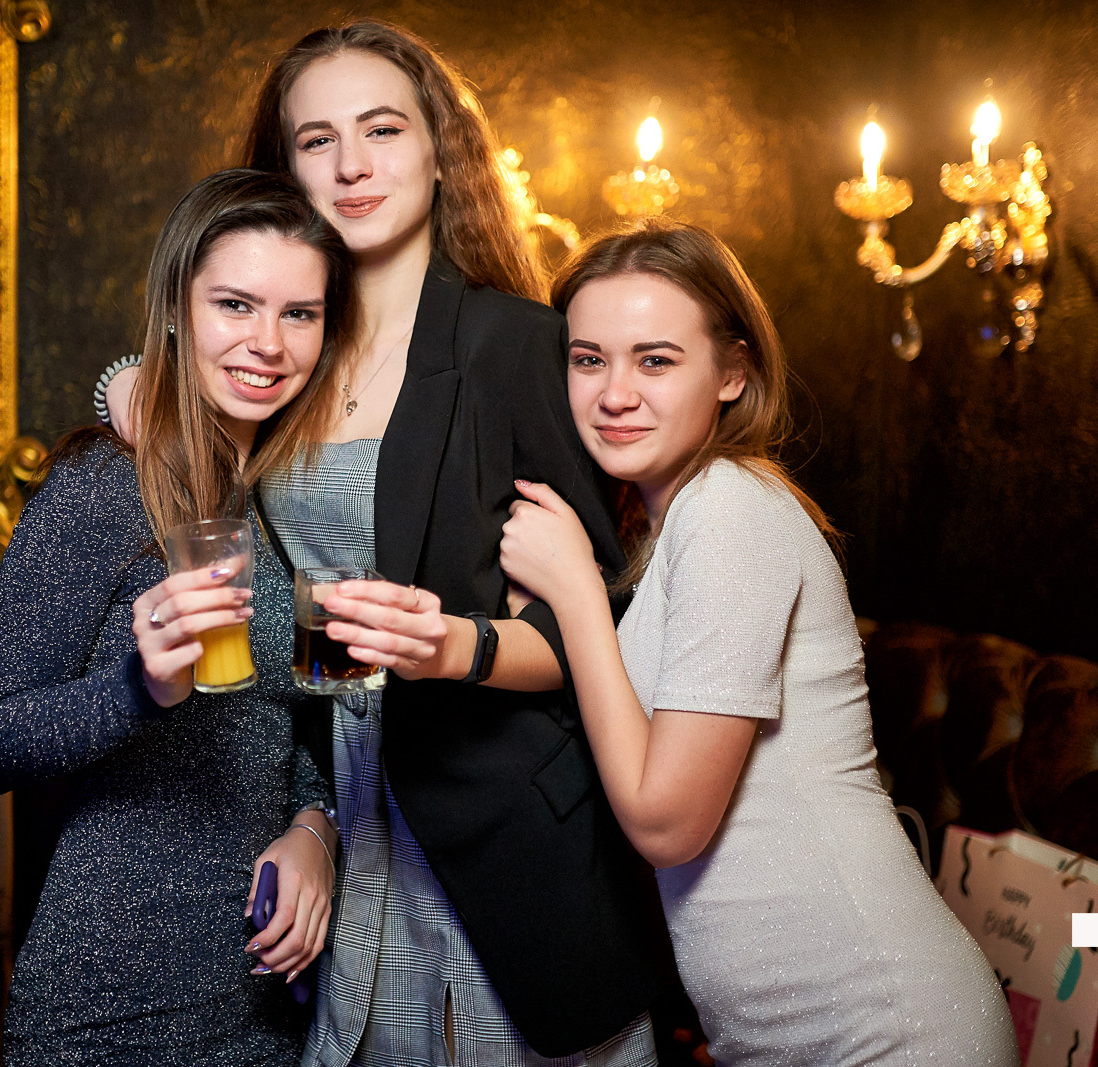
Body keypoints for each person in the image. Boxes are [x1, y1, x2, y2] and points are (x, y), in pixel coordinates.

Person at [98, 20, 676, 1066]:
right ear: (284, 171)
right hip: (341, 806)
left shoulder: (514, 342)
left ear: (439, 148)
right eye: (317, 140)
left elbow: (601, 626)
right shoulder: (286, 352)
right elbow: (188, 400)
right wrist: (131, 386)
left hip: (500, 827)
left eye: (381, 129)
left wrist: (454, 643)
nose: (352, 165)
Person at [499, 218, 1021, 1066]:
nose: (614, 393)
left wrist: (576, 595)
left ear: (733, 372)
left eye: (655, 360)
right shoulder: (668, 527)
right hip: (788, 1037)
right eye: (588, 359)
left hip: (891, 1031)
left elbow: (667, 824)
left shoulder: (731, 508)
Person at [0, 169, 355, 1066]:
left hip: (268, 1001)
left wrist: (314, 829)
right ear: (177, 308)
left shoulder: (296, 507)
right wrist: (138, 688)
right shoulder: (102, 486)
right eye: (235, 304)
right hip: (111, 1007)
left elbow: (310, 718)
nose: (267, 343)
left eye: (299, 313)